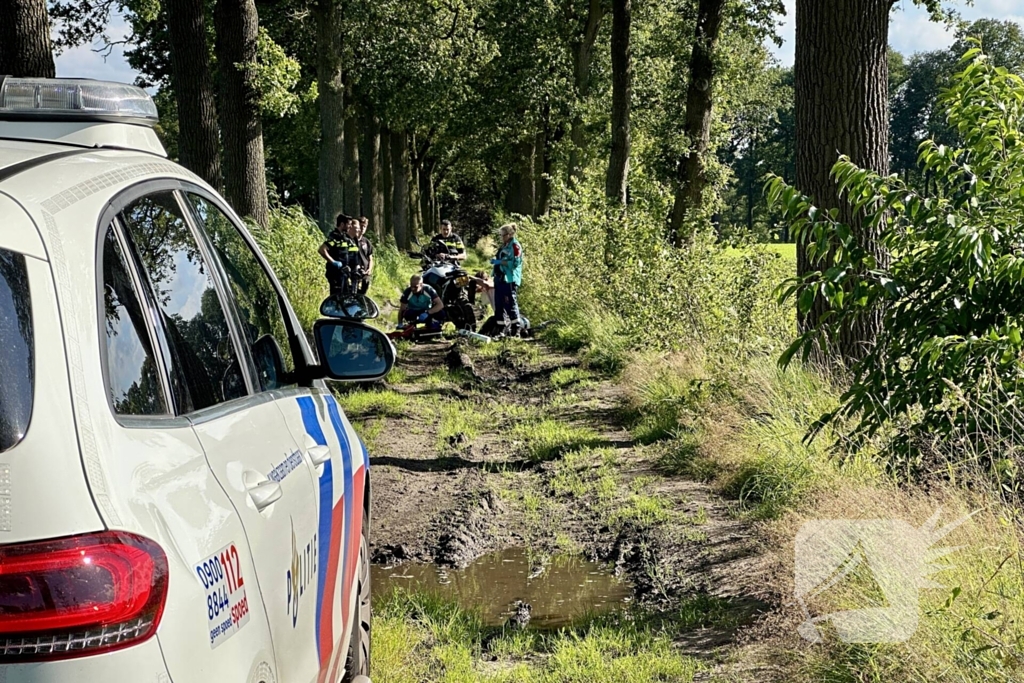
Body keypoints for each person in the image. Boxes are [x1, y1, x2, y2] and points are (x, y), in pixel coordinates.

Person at [491, 223, 524, 336]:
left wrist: (499, 262)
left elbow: (515, 263)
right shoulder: (504, 246)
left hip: (509, 279)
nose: (501, 237)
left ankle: (516, 329)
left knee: (510, 303)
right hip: (499, 278)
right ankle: (500, 328)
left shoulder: (515, 246)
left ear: (509, 234)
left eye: (502, 235)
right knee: (499, 304)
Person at [318, 213, 360, 296]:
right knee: (336, 297)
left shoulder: (344, 237)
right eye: (349, 224)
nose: (350, 226)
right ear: (342, 224)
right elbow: (322, 250)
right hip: (335, 273)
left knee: (345, 296)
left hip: (343, 274)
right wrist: (333, 262)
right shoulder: (335, 237)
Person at [355, 217, 375, 295]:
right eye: (361, 226)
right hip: (354, 270)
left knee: (366, 284)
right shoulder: (351, 240)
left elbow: (370, 258)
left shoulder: (367, 242)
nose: (363, 228)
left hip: (365, 271)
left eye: (365, 226)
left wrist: (369, 269)